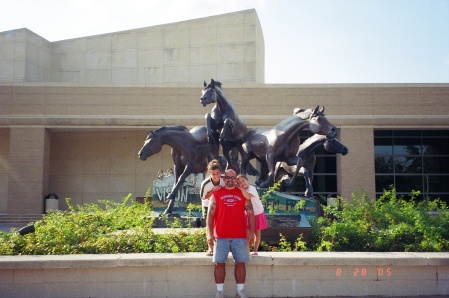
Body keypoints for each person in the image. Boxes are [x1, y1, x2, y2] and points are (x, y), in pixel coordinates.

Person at [206, 169, 255, 298]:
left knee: (240, 263)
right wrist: (209, 234)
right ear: (224, 178)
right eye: (227, 177)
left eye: (233, 178)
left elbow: (251, 213)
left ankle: (240, 291)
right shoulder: (216, 194)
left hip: (239, 236)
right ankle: (220, 291)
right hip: (220, 235)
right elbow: (210, 216)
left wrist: (251, 233)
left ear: (236, 179)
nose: (230, 180)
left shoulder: (242, 193)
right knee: (219, 263)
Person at [237, 174, 267, 255]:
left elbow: (247, 196)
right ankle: (247, 251)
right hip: (248, 214)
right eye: (239, 183)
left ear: (247, 180)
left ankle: (255, 250)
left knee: (257, 233)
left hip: (257, 213)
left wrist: (241, 190)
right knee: (247, 233)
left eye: (243, 181)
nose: (242, 183)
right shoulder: (241, 190)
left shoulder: (251, 188)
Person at [199, 159, 225, 256]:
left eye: (218, 173)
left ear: (221, 172)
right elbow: (203, 196)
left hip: (220, 204)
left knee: (219, 224)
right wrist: (213, 190)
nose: (216, 176)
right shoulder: (205, 183)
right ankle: (210, 247)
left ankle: (221, 246)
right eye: (213, 174)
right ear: (210, 174)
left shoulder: (224, 179)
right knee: (209, 225)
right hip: (208, 205)